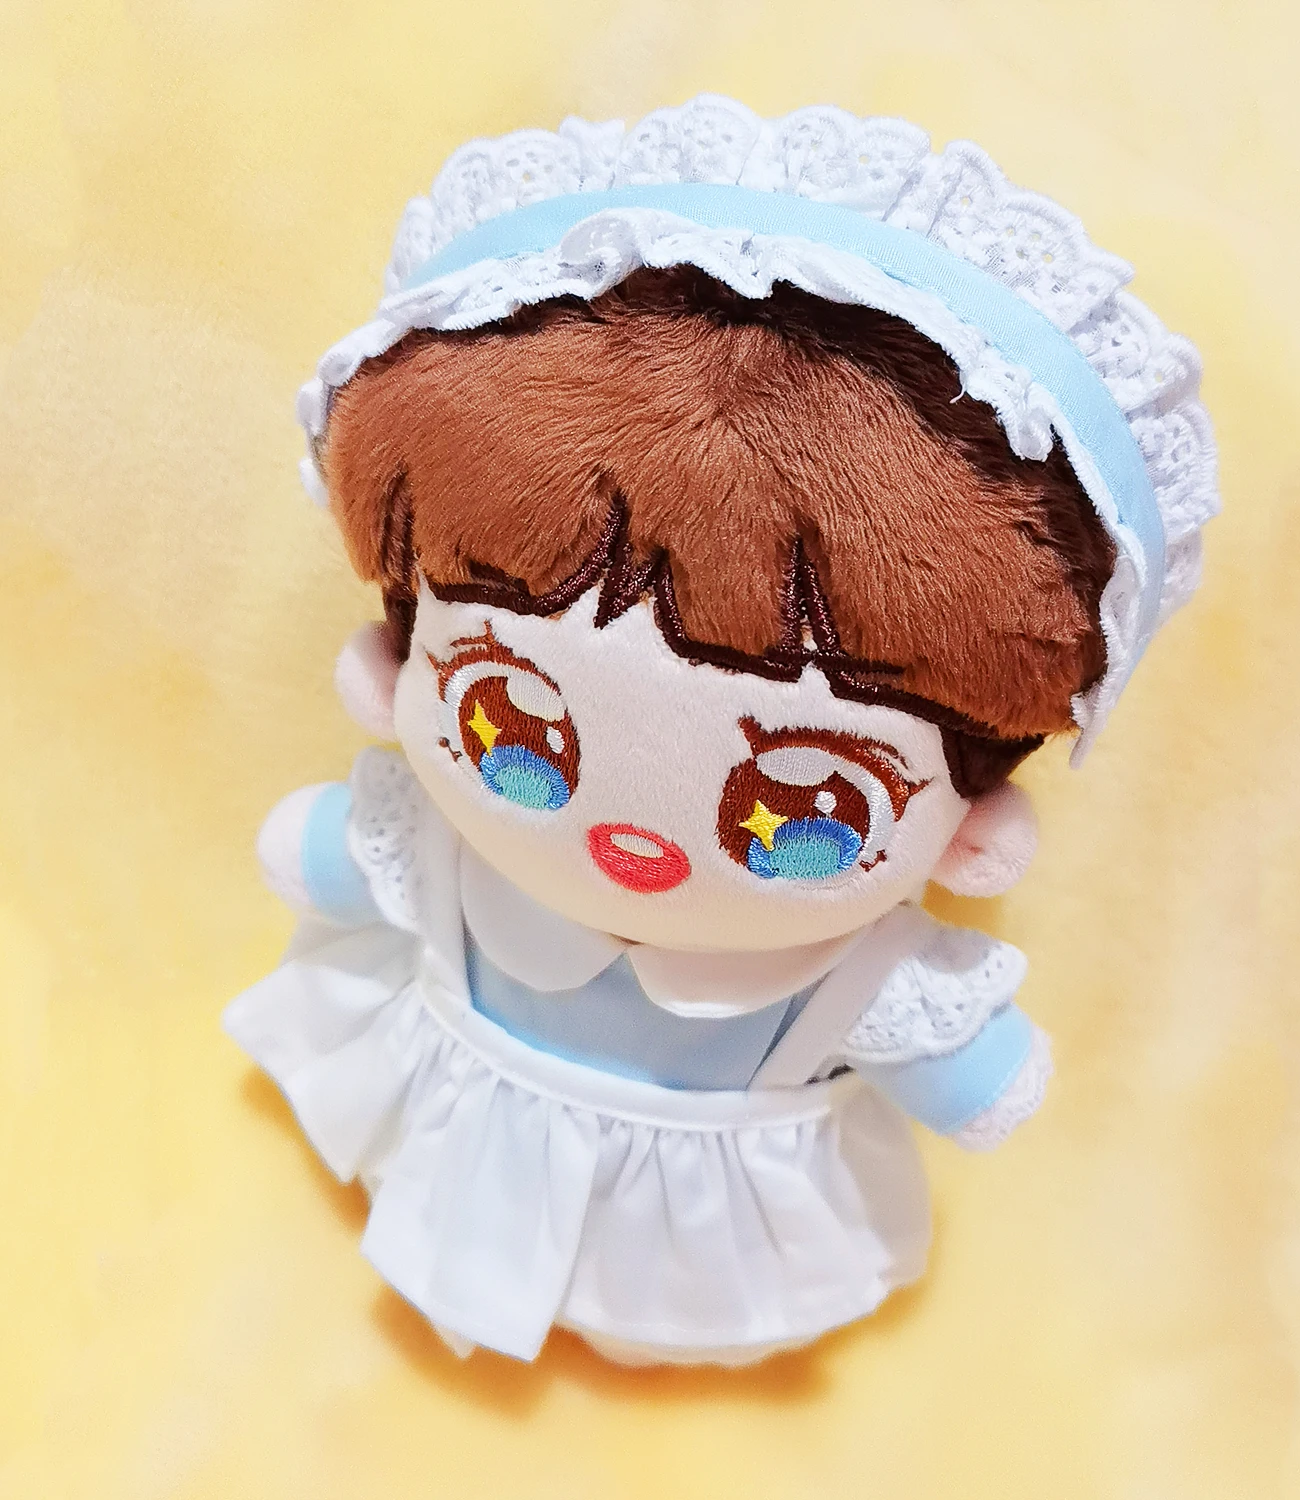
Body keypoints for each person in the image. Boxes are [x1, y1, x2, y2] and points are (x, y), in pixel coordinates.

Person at [225, 96, 1218, 1366]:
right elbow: (325, 851)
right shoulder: (441, 851)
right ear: (393, 673)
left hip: (693, 1249)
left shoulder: (858, 978)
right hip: (447, 1116)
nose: (634, 843)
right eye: (507, 720)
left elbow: (976, 1081)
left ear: (973, 833)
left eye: (811, 812)